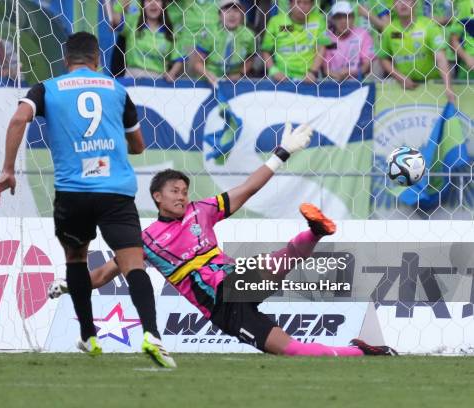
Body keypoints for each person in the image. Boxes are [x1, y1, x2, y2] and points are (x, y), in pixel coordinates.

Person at [49, 124, 398, 357]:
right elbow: (105, 274)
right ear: (156, 196)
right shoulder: (146, 241)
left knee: (271, 265)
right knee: (290, 349)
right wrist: (71, 284)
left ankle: (315, 232)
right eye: (175, 192)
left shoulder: (202, 211)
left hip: (231, 281)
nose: (182, 197)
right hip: (223, 310)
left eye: (185, 191)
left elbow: (247, 188)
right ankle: (364, 351)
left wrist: (282, 152)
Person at [0, 32, 176, 368]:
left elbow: (19, 118)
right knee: (133, 263)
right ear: (97, 60)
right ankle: (152, 336)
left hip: (72, 192)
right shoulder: (117, 90)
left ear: (66, 61)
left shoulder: (47, 88)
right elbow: (138, 146)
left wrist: (7, 169)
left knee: (76, 259)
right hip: (115, 192)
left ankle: (90, 337)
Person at [378, 0, 455, 104]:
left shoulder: (429, 25)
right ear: (393, 5)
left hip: (432, 87)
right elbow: (383, 58)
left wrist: (448, 88)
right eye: (398, 1)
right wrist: (400, 77)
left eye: (407, 0)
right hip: (404, 89)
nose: (403, 3)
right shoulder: (389, 29)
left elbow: (441, 58)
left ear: (415, 3)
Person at [111, 0, 185, 81]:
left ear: (163, 5)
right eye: (149, 0)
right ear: (142, 4)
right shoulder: (133, 22)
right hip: (132, 78)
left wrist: (172, 73)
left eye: (157, 0)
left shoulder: (170, 32)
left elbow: (179, 56)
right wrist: (119, 7)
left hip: (157, 81)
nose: (153, 4)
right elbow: (115, 21)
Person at [261, 0, 330, 82]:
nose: (301, 6)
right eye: (298, 2)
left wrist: (312, 72)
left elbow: (321, 48)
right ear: (290, 4)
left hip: (308, 77)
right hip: (281, 77)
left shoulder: (318, 20)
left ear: (312, 5)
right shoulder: (276, 21)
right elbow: (265, 50)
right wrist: (274, 71)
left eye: (306, 3)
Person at [191, 0, 256, 85]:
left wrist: (240, 73)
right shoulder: (209, 33)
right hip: (208, 81)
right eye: (227, 11)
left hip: (235, 82)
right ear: (219, 15)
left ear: (242, 15)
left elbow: (250, 58)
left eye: (236, 11)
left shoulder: (249, 35)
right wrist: (208, 75)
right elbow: (197, 62)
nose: (232, 15)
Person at [323, 1, 375, 81]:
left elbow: (366, 65)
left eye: (347, 17)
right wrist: (337, 76)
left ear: (353, 18)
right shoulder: (326, 37)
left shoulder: (362, 34)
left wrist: (351, 73)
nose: (343, 21)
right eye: (339, 17)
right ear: (333, 20)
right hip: (332, 81)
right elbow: (325, 68)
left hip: (358, 80)